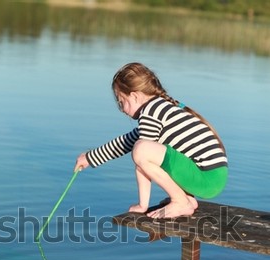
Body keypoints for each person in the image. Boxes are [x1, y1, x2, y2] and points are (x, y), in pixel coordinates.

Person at [74, 62, 228, 219]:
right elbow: (126, 142)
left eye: (121, 102)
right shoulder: (160, 107)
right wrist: (89, 157)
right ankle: (186, 198)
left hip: (206, 178)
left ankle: (181, 201)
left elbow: (141, 156)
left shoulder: (151, 111)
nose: (122, 110)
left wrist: (143, 205)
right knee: (140, 147)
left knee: (141, 150)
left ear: (134, 96)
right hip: (210, 177)